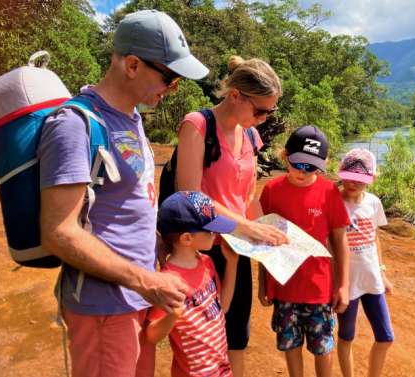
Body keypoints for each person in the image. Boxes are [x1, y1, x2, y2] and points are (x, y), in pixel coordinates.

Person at [38, 10, 209, 377]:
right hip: (105, 307)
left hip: (137, 296)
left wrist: (155, 244)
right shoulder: (76, 125)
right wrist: (147, 280)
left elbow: (126, 203)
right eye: (170, 78)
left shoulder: (131, 117)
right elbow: (58, 231)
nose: (172, 88)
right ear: (132, 65)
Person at [175, 55, 283, 377]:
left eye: (269, 111)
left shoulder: (250, 136)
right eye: (260, 110)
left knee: (237, 333)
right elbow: (190, 196)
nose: (264, 119)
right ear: (235, 95)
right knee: (203, 335)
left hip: (239, 245)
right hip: (204, 248)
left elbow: (247, 195)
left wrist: (271, 232)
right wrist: (247, 226)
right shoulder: (197, 125)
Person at [257, 125, 351, 377]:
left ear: (324, 164)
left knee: (322, 347)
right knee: (290, 344)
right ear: (285, 156)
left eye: (311, 167)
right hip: (283, 286)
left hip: (320, 289)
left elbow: (340, 240)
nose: (303, 171)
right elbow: (262, 240)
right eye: (298, 163)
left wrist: (343, 285)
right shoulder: (271, 191)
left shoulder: (329, 192)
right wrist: (262, 283)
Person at [147, 191, 239, 377]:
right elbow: (151, 335)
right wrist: (172, 315)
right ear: (187, 238)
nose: (216, 234)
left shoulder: (207, 263)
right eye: (210, 229)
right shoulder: (168, 281)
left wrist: (232, 264)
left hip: (221, 369)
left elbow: (223, 306)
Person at [336, 148, 394, 377]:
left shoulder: (373, 203)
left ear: (372, 179)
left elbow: (375, 238)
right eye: (349, 177)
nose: (353, 183)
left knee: (385, 337)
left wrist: (382, 272)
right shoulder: (333, 202)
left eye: (360, 180)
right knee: (346, 336)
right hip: (347, 282)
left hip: (371, 279)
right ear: (341, 173)